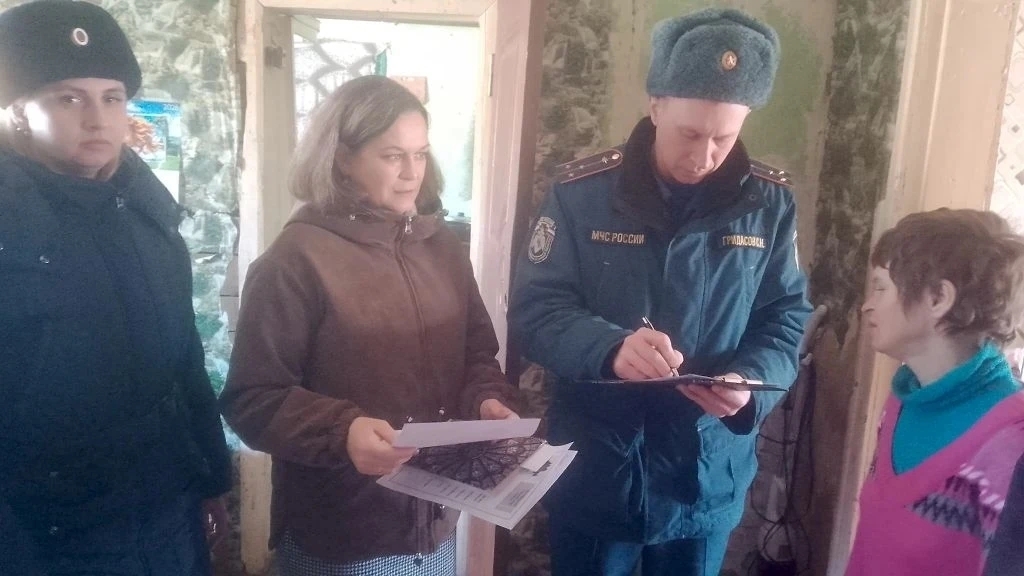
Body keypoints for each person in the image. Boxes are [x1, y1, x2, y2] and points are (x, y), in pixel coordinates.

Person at [508, 8, 811, 576]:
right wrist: (608, 348)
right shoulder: (581, 193)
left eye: (724, 138)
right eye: (689, 134)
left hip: (705, 473)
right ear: (656, 106)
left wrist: (750, 383)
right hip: (598, 469)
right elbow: (536, 309)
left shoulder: (770, 204)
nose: (704, 156)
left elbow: (785, 319)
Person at [218, 75, 521, 576]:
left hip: (435, 524)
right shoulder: (294, 260)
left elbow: (476, 355)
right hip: (341, 534)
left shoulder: (442, 248)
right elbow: (253, 399)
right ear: (342, 158)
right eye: (392, 156)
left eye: (420, 154)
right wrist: (343, 431)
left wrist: (486, 400)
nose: (412, 174)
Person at [0, 1, 232, 574]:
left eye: (112, 98)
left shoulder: (148, 211)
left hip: (165, 506)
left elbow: (184, 359)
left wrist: (212, 478)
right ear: (19, 109)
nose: (98, 119)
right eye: (68, 98)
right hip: (46, 532)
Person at [846, 209, 1024, 575]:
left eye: (881, 287)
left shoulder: (1009, 443)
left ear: (938, 298)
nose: (867, 305)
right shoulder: (903, 401)